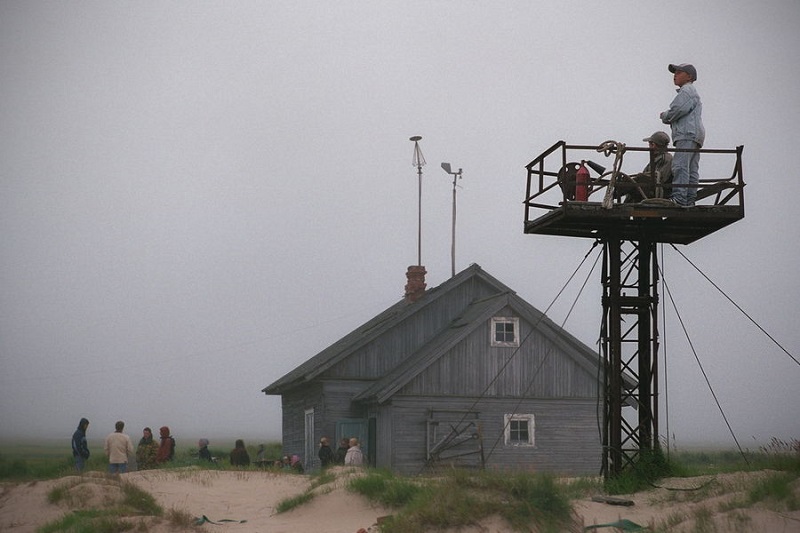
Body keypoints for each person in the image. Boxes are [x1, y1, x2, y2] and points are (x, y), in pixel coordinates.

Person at [660, 63, 705, 207]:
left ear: (689, 76)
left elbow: (677, 110)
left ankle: (679, 199)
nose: (675, 75)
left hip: (686, 133)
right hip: (695, 134)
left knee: (680, 166)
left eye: (679, 72)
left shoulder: (686, 91)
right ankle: (690, 199)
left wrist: (665, 116)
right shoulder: (692, 91)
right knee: (691, 168)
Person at [620, 131, 674, 203]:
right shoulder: (656, 158)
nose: (649, 146)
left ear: (653, 145)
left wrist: (641, 177)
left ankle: (615, 193)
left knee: (637, 180)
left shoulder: (666, 158)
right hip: (651, 188)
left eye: (650, 144)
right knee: (627, 181)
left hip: (657, 190)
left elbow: (660, 177)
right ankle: (616, 193)